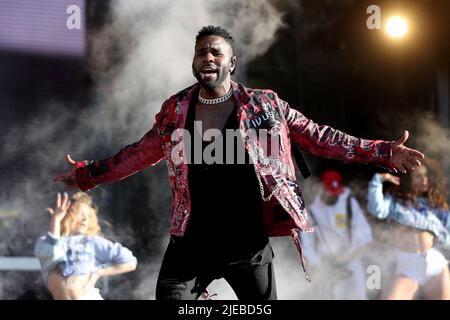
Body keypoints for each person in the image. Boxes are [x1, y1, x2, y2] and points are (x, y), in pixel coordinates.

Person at [54, 25, 424, 300]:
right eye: (201, 52)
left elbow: (322, 137)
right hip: (192, 239)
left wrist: (382, 152)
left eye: (216, 52)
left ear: (232, 61)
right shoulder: (176, 111)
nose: (208, 58)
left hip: (247, 242)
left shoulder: (265, 106)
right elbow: (137, 154)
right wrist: (88, 175)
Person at [367, 158, 450, 299]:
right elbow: (377, 209)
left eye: (426, 176)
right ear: (408, 179)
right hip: (409, 264)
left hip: (436, 262)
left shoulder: (437, 206)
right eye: (418, 176)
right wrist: (378, 180)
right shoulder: (396, 202)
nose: (424, 180)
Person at [34, 192, 137, 300]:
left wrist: (98, 273)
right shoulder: (45, 242)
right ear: (67, 213)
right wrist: (56, 221)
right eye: (80, 213)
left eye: (88, 216)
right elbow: (50, 254)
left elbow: (130, 262)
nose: (85, 219)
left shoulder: (92, 242)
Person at [301, 170, 373, 299]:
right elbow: (307, 244)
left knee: (360, 296)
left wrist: (349, 256)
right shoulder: (311, 210)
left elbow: (365, 235)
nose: (334, 196)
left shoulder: (348, 201)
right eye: (330, 193)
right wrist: (318, 264)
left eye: (336, 193)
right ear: (321, 189)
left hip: (352, 258)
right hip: (328, 265)